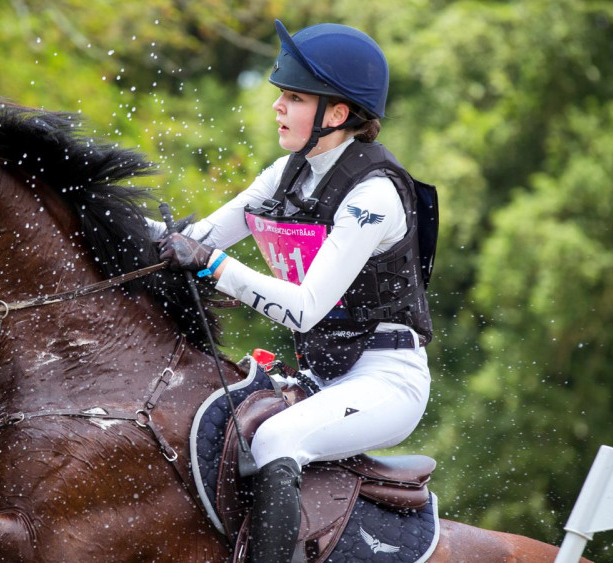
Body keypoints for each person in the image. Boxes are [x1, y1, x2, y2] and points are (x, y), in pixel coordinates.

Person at [156, 20, 434, 562]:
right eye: (282, 95)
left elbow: (305, 309)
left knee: (276, 440)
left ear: (336, 114)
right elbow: (196, 239)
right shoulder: (286, 173)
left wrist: (212, 266)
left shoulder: (374, 196)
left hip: (386, 380)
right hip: (320, 374)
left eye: (294, 97)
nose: (278, 107)